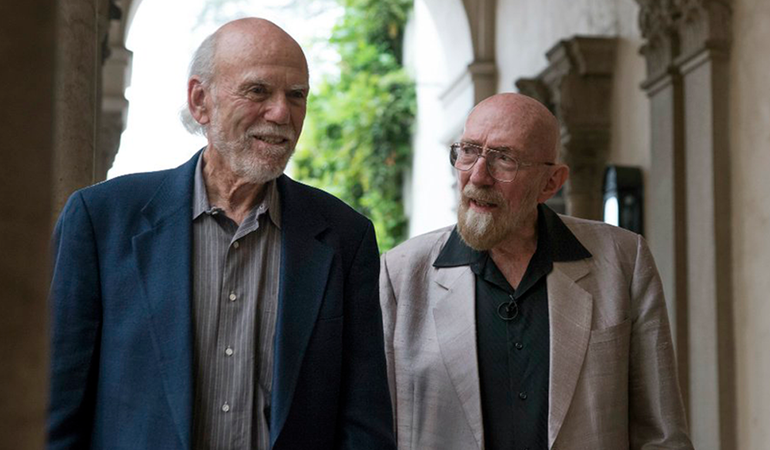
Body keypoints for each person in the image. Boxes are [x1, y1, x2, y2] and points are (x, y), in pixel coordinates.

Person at [48, 18, 395, 450]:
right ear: (200, 101)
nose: (281, 113)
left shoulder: (346, 237)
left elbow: (365, 424)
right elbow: (55, 410)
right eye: (257, 91)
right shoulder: (101, 220)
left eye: (296, 95)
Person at [379, 93, 693, 449]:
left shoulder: (623, 260)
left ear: (551, 183)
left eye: (504, 159)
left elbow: (662, 435)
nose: (478, 176)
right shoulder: (400, 274)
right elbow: (377, 429)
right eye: (468, 151)